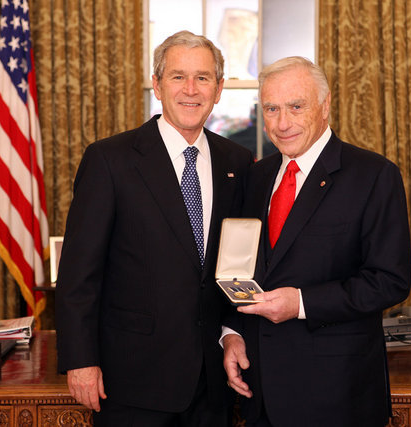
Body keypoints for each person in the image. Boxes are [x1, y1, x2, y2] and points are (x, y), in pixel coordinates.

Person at [55, 30, 254, 426]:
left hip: (211, 382)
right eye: (178, 76)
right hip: (131, 382)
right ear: (157, 85)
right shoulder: (109, 160)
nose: (191, 89)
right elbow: (79, 274)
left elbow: (237, 263)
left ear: (218, 89)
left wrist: (233, 331)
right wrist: (81, 361)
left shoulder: (238, 161)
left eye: (203, 78)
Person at [222, 56, 411, 427]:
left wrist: (302, 303)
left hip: (336, 396)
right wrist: (232, 334)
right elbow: (239, 266)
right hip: (259, 393)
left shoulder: (374, 175)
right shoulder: (256, 176)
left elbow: (390, 280)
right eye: (272, 109)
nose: (282, 123)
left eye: (296, 106)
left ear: (325, 106)